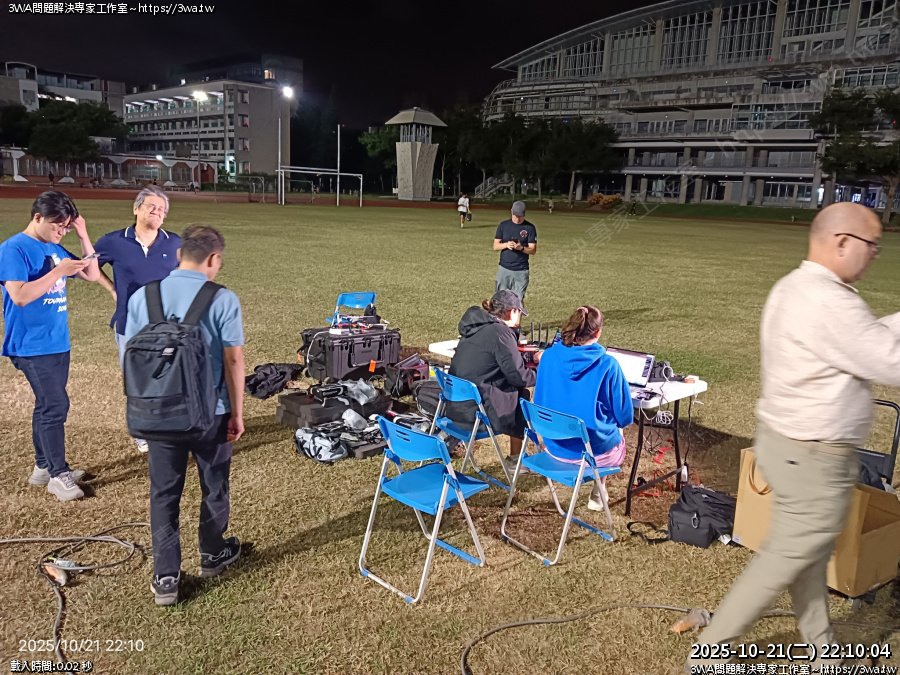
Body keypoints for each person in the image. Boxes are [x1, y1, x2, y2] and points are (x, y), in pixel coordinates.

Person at [687, 202, 900, 672]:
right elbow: (889, 360)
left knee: (807, 555)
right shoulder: (830, 301)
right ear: (842, 242)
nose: (875, 254)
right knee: (784, 558)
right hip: (813, 458)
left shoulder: (797, 288)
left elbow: (864, 341)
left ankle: (823, 653)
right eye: (873, 245)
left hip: (787, 447)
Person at [124, 225, 245, 606]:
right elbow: (233, 360)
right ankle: (212, 552)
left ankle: (166, 577)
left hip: (158, 413)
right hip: (211, 414)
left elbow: (129, 357)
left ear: (179, 255)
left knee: (164, 494)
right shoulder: (222, 299)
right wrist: (237, 413)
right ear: (214, 259)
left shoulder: (144, 297)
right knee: (214, 485)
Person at [0, 191, 101, 501]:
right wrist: (58, 271)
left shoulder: (54, 247)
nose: (62, 231)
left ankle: (43, 467)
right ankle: (58, 475)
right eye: (59, 225)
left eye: (67, 226)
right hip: (30, 345)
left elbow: (92, 274)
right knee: (56, 406)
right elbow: (19, 295)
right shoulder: (14, 248)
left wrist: (83, 234)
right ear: (38, 217)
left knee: (47, 405)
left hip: (57, 342)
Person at [94, 187, 181, 453]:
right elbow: (90, 267)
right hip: (129, 324)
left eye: (162, 210)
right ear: (136, 208)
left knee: (166, 378)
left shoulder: (174, 243)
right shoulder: (113, 241)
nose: (157, 212)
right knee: (136, 381)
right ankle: (142, 433)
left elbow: (186, 276)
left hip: (164, 325)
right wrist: (112, 289)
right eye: (151, 207)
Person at [533, 305, 633, 510]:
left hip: (554, 445)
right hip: (591, 453)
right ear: (598, 332)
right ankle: (599, 490)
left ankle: (598, 490)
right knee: (615, 431)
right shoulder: (608, 365)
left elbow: (539, 400)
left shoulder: (548, 357)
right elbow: (624, 417)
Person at [448, 290, 537, 475]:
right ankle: (516, 459)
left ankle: (516, 458)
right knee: (521, 395)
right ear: (512, 311)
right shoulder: (500, 332)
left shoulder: (476, 326)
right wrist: (541, 371)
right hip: (477, 414)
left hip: (454, 406)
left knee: (514, 390)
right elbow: (519, 377)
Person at [493, 200, 537, 301]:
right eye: (515, 215)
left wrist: (521, 248)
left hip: (521, 271)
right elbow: (495, 246)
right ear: (511, 211)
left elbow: (533, 250)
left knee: (518, 301)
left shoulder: (530, 228)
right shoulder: (503, 225)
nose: (517, 218)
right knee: (500, 300)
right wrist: (506, 245)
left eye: (520, 216)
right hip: (504, 269)